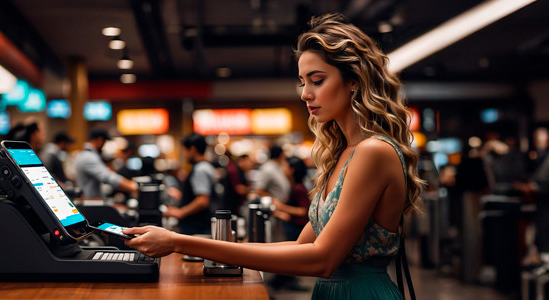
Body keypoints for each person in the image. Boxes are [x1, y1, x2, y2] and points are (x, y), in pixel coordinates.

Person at [123, 13, 424, 299]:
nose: (305, 93)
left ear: (353, 80)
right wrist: (196, 245)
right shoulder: (343, 155)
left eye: (317, 80)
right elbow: (299, 247)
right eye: (302, 81)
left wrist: (180, 242)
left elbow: (322, 259)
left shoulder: (373, 151)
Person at [267, 156, 314, 291]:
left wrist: (281, 206)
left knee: (289, 257)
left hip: (297, 227)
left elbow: (303, 211)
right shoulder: (296, 185)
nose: (283, 169)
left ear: (292, 170)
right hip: (293, 225)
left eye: (285, 166)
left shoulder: (298, 188)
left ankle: (284, 282)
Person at [168, 134, 218, 235]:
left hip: (197, 227)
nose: (184, 155)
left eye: (184, 151)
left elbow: (203, 200)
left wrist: (180, 212)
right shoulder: (207, 166)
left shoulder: (200, 169)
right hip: (201, 225)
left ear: (193, 149)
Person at [74, 128, 140, 200]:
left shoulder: (86, 155)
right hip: (90, 203)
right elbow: (108, 177)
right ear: (100, 140)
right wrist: (132, 186)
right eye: (105, 142)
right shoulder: (89, 158)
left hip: (91, 200)